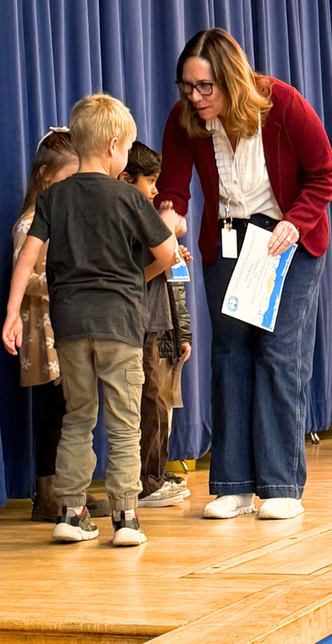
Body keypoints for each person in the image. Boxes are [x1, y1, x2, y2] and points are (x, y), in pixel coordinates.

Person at [156, 28, 332, 521]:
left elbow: (324, 172)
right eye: (187, 86)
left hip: (287, 241)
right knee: (230, 356)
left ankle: (282, 486)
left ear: (232, 79)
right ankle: (232, 486)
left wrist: (296, 222)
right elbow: (173, 189)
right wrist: (167, 219)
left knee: (279, 355)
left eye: (205, 87)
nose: (195, 97)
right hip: (228, 242)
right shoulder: (185, 118)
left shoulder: (283, 103)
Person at [2, 94, 180, 547]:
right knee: (124, 422)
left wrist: (12, 312)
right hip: (120, 325)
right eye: (127, 149)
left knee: (77, 417)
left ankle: (70, 512)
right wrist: (139, 275)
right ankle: (126, 518)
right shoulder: (129, 197)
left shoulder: (53, 198)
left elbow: (27, 258)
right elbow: (167, 253)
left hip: (70, 327)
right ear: (114, 146)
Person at [9, 128, 112, 522]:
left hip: (69, 325)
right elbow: (25, 275)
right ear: (44, 175)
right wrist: (67, 278)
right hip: (45, 333)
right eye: (67, 177)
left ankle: (74, 489)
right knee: (55, 414)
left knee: (76, 409)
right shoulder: (30, 222)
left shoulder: (66, 218)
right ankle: (48, 495)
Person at [118, 141, 193, 508]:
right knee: (147, 401)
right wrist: (164, 261)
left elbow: (165, 277)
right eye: (149, 182)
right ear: (126, 179)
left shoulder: (145, 215)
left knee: (158, 402)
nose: (155, 190)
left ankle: (156, 474)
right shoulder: (126, 218)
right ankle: (146, 483)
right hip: (137, 321)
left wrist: (171, 261)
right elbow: (133, 277)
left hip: (156, 322)